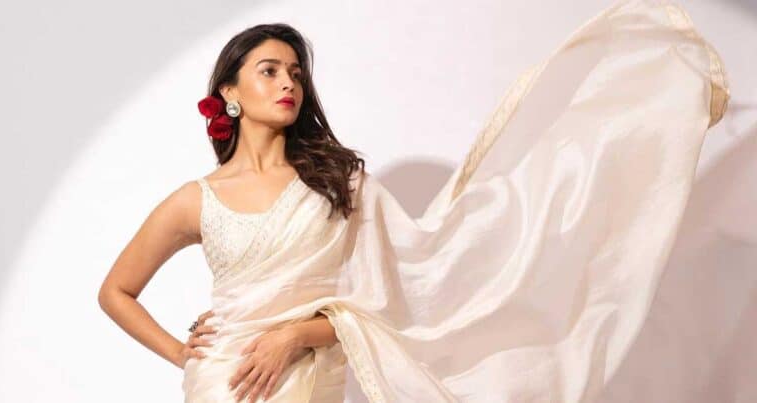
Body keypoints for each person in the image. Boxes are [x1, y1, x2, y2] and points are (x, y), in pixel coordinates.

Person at [98, 0, 730, 402]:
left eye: (295, 73)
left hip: (311, 378)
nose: (288, 82)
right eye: (269, 70)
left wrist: (298, 334)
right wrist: (182, 353)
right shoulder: (196, 200)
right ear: (229, 92)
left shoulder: (337, 183)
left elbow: (392, 297)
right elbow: (115, 292)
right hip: (225, 383)